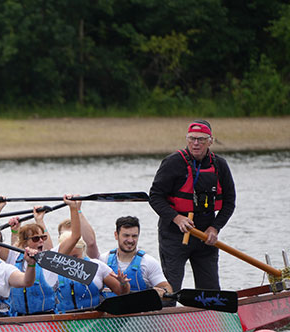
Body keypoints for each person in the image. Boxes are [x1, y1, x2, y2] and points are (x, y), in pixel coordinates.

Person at [149, 120, 236, 290]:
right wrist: (177, 218)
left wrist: (215, 228)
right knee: (170, 289)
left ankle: (209, 314)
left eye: (201, 139)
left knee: (210, 289)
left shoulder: (220, 165)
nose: (196, 143)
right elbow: (155, 197)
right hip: (174, 234)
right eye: (192, 139)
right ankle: (165, 314)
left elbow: (229, 202)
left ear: (210, 141)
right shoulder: (172, 163)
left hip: (205, 236)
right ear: (187, 139)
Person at [101, 216, 172, 299]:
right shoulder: (103, 260)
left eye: (134, 236)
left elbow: (168, 290)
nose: (130, 240)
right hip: (110, 310)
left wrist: (163, 292)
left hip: (139, 310)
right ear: (116, 235)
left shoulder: (149, 262)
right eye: (126, 235)